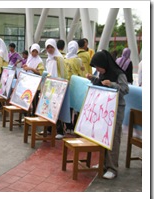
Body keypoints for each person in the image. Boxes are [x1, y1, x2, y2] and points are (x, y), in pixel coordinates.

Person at [86, 49, 129, 180]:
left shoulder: (118, 74)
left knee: (113, 138)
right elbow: (101, 84)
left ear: (105, 64)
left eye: (98, 67)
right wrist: (93, 78)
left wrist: (112, 84)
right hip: (104, 109)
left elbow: (125, 89)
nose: (98, 70)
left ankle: (112, 168)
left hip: (116, 110)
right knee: (103, 137)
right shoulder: (104, 74)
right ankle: (103, 164)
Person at [55, 40, 84, 139]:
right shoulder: (78, 60)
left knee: (67, 105)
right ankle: (73, 127)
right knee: (76, 106)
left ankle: (66, 126)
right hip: (76, 85)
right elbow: (81, 73)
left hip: (65, 84)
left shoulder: (64, 58)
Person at [45, 38, 67, 138]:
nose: (49, 49)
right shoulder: (48, 59)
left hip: (58, 86)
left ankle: (60, 131)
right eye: (48, 47)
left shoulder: (59, 58)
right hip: (49, 86)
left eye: (51, 47)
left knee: (57, 108)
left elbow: (63, 73)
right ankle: (50, 128)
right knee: (49, 108)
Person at [22, 43, 44, 116]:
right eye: (33, 51)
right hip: (29, 81)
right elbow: (27, 68)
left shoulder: (39, 61)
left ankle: (34, 114)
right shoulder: (29, 58)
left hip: (36, 83)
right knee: (28, 98)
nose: (34, 53)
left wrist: (31, 68)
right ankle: (27, 113)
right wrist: (25, 67)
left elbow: (40, 72)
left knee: (35, 100)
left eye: (36, 51)